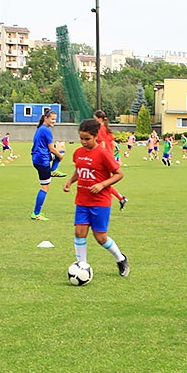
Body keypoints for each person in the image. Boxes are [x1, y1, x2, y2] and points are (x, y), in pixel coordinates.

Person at [62, 118, 130, 277]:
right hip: (82, 200)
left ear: (95, 137)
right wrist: (70, 181)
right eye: (81, 139)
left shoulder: (103, 154)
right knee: (79, 232)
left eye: (87, 139)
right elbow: (80, 170)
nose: (84, 142)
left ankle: (121, 259)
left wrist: (102, 185)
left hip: (100, 202)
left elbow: (119, 174)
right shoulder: (78, 153)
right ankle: (82, 266)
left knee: (100, 238)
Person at [30, 111, 64, 221]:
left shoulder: (40, 128)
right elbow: (52, 149)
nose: (54, 121)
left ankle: (54, 169)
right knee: (45, 187)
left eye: (55, 119)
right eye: (52, 119)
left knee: (61, 147)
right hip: (42, 160)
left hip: (38, 158)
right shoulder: (46, 130)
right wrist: (60, 156)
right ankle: (36, 213)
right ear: (46, 118)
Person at [93, 110, 128, 209]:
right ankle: (119, 198)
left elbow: (102, 143)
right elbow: (115, 144)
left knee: (100, 181)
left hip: (104, 157)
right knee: (102, 180)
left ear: (99, 119)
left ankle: (118, 198)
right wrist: (116, 157)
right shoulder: (107, 128)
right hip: (109, 156)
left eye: (95, 118)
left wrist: (101, 155)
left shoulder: (100, 128)